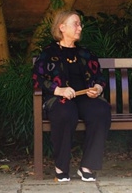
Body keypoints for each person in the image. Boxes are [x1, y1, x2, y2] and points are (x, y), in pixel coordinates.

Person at [31, 10, 111, 182]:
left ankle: (87, 166)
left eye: (80, 24)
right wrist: (58, 90)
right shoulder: (48, 53)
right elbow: (37, 78)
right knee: (65, 113)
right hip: (60, 98)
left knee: (101, 110)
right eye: (76, 24)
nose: (80, 28)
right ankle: (61, 166)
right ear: (62, 27)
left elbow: (99, 78)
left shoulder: (86, 54)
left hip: (84, 97)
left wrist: (97, 88)